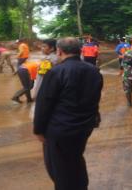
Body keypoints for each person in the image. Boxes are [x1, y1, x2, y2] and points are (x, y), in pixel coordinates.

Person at [34, 37, 103, 190]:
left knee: (58, 168)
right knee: (75, 158)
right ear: (80, 51)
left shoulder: (56, 72)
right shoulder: (94, 71)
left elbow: (44, 103)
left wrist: (38, 129)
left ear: (59, 51)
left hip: (60, 129)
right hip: (84, 127)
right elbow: (95, 99)